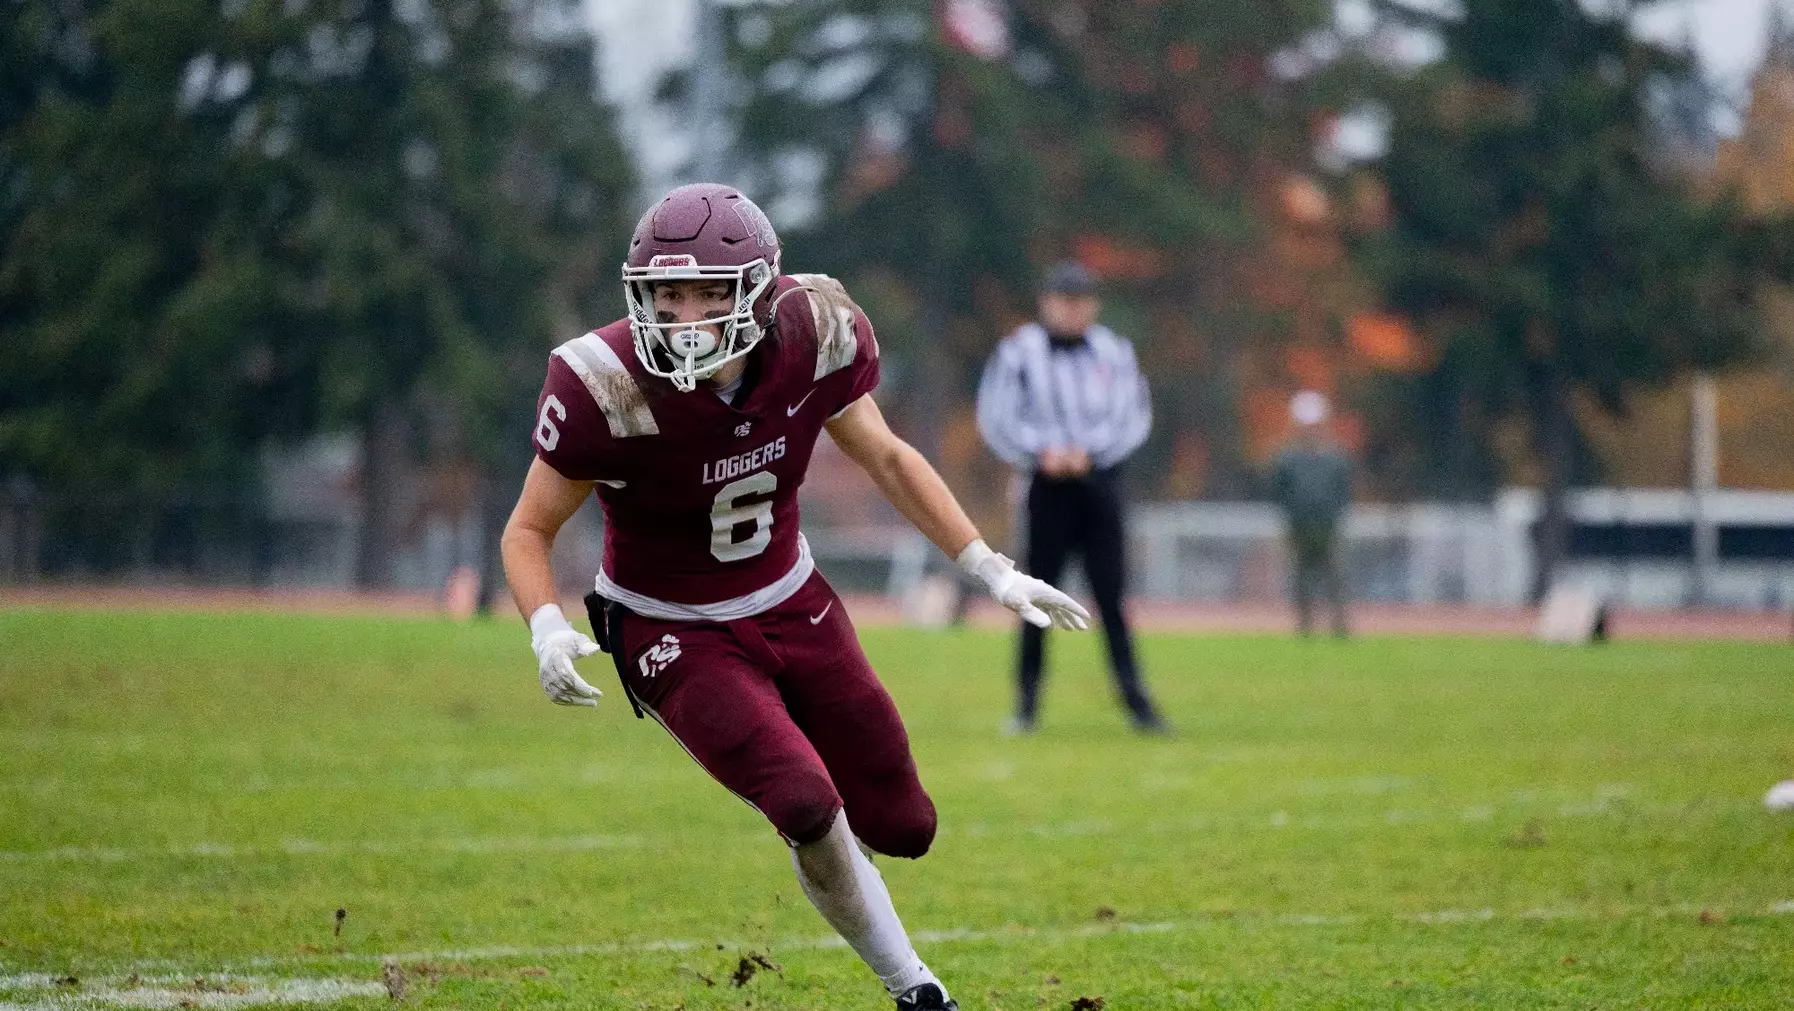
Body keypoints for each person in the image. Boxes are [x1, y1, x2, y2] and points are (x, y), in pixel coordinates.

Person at [500, 184, 1090, 1011]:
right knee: (806, 802)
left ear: (759, 290)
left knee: (904, 824)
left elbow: (885, 456)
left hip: (790, 597)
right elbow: (526, 529)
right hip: (671, 628)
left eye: (709, 291)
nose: (685, 314)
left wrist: (990, 567)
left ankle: (850, 874)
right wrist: (547, 626)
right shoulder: (603, 384)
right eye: (667, 294)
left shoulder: (815, 331)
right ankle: (916, 987)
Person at [975, 261, 1165, 735]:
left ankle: (1136, 700)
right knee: (1036, 597)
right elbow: (995, 416)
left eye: (1080, 301)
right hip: (1046, 487)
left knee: (1112, 598)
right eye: (1064, 300)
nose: (1072, 310)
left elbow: (1133, 416)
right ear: (1046, 302)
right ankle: (1026, 704)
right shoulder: (1017, 352)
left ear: (1094, 305)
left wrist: (1091, 454)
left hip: (1100, 484)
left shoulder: (1114, 351)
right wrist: (1041, 454)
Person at [1268, 390, 1353, 637]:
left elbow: (1343, 491)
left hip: (1328, 524)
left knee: (1335, 575)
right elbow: (1279, 491)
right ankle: (1305, 625)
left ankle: (1339, 624)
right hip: (1299, 524)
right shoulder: (1287, 459)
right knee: (1301, 576)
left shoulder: (1335, 458)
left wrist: (1333, 512)